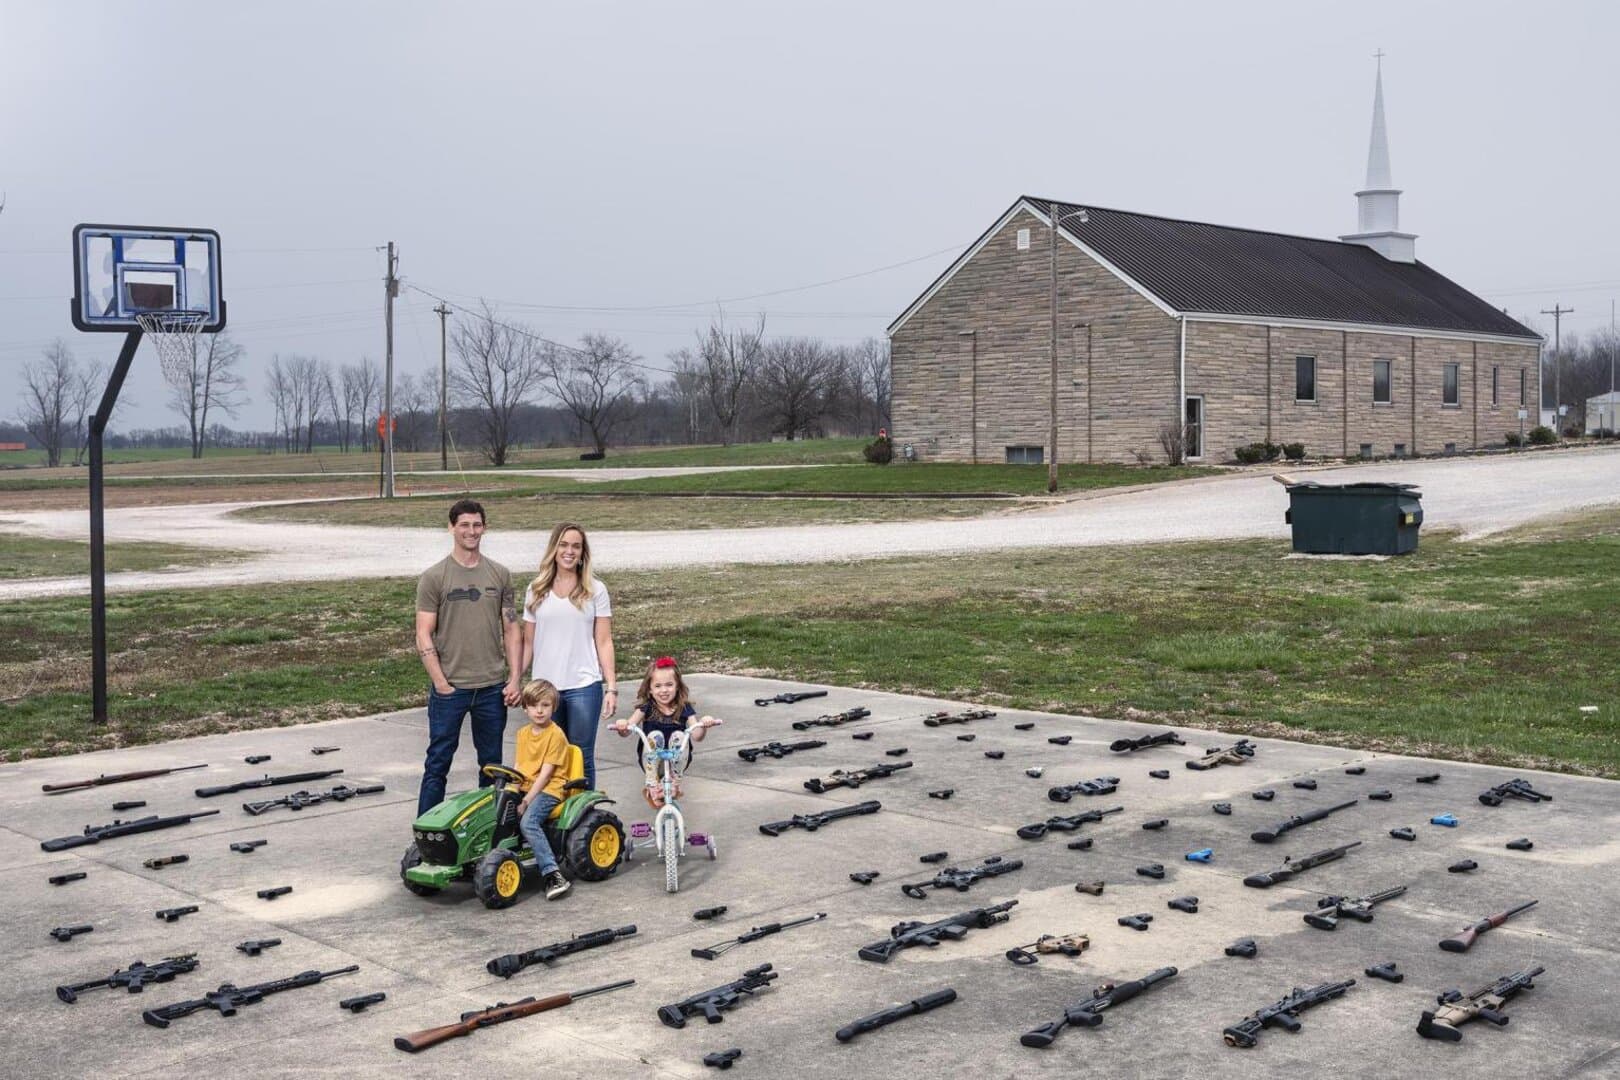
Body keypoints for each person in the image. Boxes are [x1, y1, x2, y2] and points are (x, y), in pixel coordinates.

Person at [414, 498, 521, 816]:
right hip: (451, 689)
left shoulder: (500, 575)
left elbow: (512, 629)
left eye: (476, 525)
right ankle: (426, 834)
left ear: (484, 528)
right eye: (464, 525)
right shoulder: (434, 577)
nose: (471, 531)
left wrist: (515, 678)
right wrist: (440, 682)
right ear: (451, 528)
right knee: (438, 764)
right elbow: (423, 632)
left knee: (491, 768)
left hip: (492, 688)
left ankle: (487, 833)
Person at [521, 522, 616, 790]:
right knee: (550, 757)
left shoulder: (595, 589)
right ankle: (553, 816)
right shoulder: (536, 589)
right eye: (563, 544)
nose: (569, 551)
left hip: (583, 686)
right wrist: (515, 680)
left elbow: (604, 641)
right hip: (545, 690)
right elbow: (528, 642)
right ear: (554, 549)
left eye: (576, 546)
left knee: (580, 754)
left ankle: (583, 816)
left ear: (583, 552)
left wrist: (611, 687)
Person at [611, 656, 721, 808]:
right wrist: (622, 725)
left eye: (669, 685)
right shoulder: (646, 707)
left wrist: (703, 724)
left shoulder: (684, 708)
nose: (664, 690)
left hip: (677, 760)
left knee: (680, 736)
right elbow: (629, 729)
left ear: (677, 686)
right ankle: (652, 783)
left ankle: (675, 782)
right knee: (655, 736)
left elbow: (696, 736)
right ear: (649, 688)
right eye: (657, 686)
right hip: (652, 762)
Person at [514, 679, 572, 901]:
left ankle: (553, 874)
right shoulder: (522, 734)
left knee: (528, 821)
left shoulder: (555, 735)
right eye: (534, 705)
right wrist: (510, 790)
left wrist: (526, 800)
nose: (539, 710)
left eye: (545, 705)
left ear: (553, 707)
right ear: (525, 707)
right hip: (528, 786)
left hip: (551, 789)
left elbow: (546, 774)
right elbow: (519, 767)